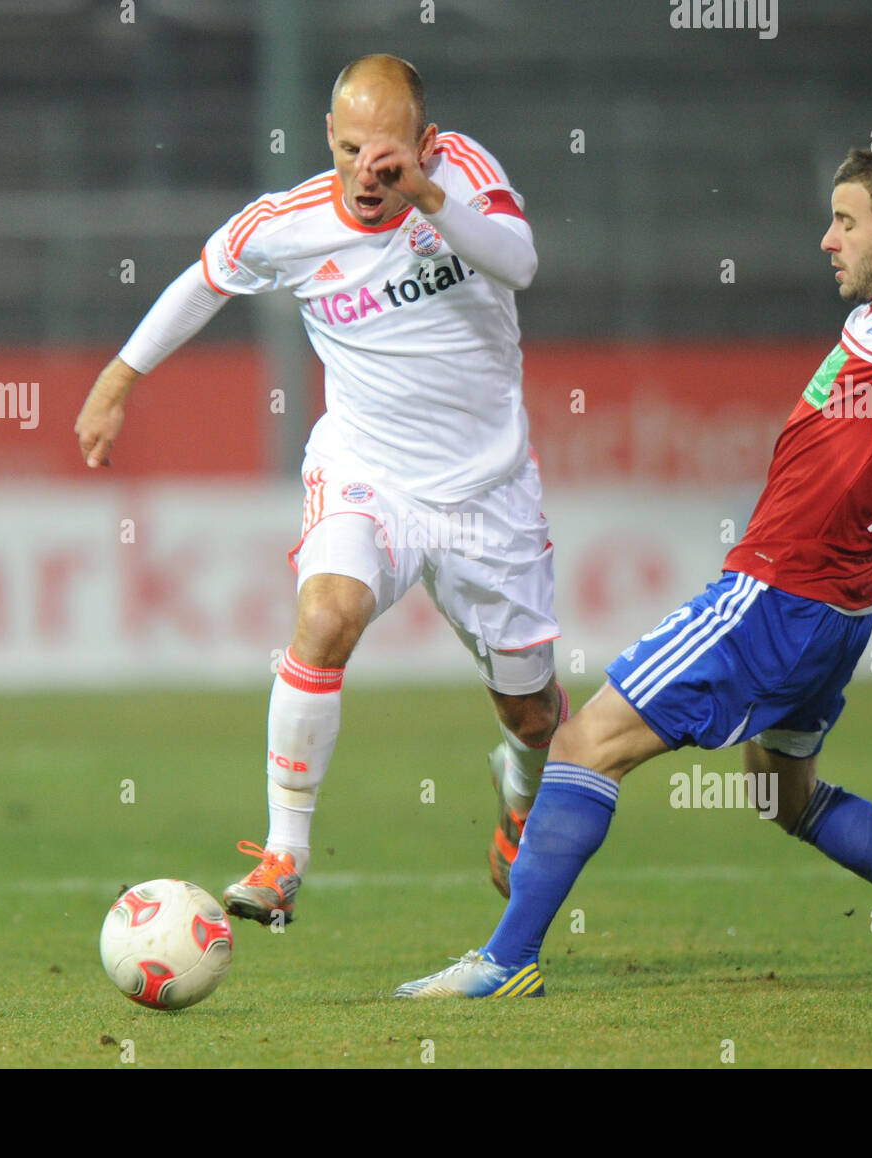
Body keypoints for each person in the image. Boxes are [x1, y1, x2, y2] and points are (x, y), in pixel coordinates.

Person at [395, 141, 872, 997]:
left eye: (845, 221)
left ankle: (506, 961)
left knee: (585, 743)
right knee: (783, 795)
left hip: (778, 595)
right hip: (838, 609)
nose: (827, 239)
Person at [74, 54, 567, 926]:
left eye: (385, 156)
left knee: (532, 713)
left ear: (422, 142)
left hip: (487, 492)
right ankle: (283, 854)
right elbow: (204, 281)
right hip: (366, 469)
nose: (365, 175)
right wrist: (118, 380)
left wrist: (428, 195)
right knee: (327, 613)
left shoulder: (461, 175)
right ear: (327, 140)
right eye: (347, 151)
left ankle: (520, 793)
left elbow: (521, 263)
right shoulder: (288, 224)